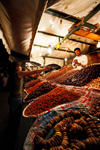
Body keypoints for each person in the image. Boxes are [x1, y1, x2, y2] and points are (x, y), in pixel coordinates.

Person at [7, 62, 51, 139]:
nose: (21, 67)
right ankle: (13, 135)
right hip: (16, 99)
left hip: (12, 98)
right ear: (17, 67)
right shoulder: (18, 74)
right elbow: (33, 72)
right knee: (15, 117)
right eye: (20, 66)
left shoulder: (12, 75)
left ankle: (10, 132)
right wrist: (45, 68)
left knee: (12, 116)